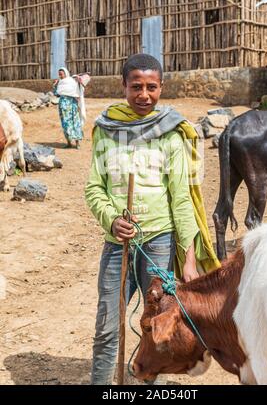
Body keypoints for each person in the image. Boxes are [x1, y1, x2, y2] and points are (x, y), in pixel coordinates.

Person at [85, 53, 219, 385]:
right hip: (118, 245)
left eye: (152, 87)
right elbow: (93, 188)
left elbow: (181, 198)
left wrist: (189, 257)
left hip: (158, 242)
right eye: (136, 87)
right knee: (107, 325)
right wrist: (112, 218)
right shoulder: (105, 130)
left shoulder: (171, 133)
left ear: (161, 87)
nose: (144, 95)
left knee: (158, 326)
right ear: (123, 87)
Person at [53, 67, 86, 149]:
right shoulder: (60, 83)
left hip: (72, 105)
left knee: (75, 122)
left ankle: (77, 143)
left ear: (65, 73)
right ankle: (69, 143)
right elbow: (57, 94)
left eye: (61, 73)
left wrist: (79, 80)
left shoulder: (71, 81)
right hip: (63, 106)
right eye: (59, 74)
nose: (60, 75)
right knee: (65, 124)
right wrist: (54, 86)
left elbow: (79, 88)